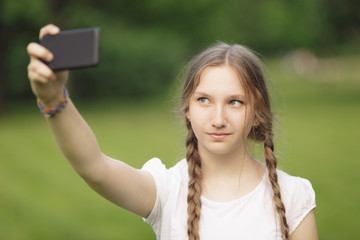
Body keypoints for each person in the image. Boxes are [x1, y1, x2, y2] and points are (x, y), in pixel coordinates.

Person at [27, 24, 318, 240]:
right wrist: (54, 99)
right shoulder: (167, 190)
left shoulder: (294, 196)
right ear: (187, 109)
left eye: (235, 102)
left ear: (257, 113)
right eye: (204, 100)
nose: (218, 118)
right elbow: (94, 167)